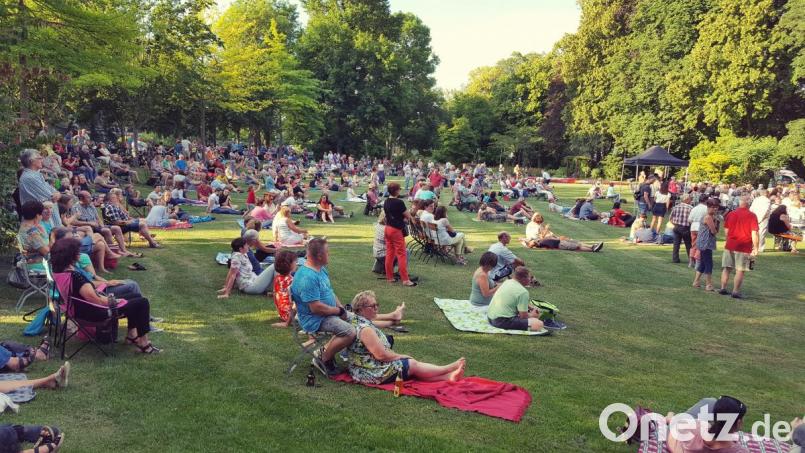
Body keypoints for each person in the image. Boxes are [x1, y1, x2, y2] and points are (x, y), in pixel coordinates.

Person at [50, 238, 160, 353]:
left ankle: (131, 336)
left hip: (80, 310)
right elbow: (97, 300)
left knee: (135, 295)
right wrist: (115, 301)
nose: (80, 253)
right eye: (77, 252)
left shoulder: (59, 272)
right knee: (142, 302)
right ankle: (144, 343)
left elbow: (93, 297)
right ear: (70, 256)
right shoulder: (75, 277)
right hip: (93, 313)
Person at [346, 290, 464, 384]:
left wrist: (393, 321)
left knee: (411, 368)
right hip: (370, 371)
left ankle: (448, 377)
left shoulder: (359, 321)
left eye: (377, 305)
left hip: (366, 366)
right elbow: (381, 355)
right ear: (361, 309)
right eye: (373, 306)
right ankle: (447, 369)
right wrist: (401, 356)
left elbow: (378, 325)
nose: (377, 308)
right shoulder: (365, 329)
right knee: (411, 364)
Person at [290, 238, 354, 376]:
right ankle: (322, 359)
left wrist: (342, 309)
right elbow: (316, 308)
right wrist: (338, 311)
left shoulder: (321, 269)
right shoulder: (308, 277)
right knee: (349, 331)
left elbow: (330, 291)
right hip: (314, 319)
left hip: (327, 313)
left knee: (358, 320)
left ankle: (353, 354)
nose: (329, 254)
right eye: (327, 252)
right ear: (319, 256)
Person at [665, 396, 750, 453]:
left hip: (674, 439)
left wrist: (671, 417)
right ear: (739, 422)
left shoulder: (699, 427)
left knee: (710, 401)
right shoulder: (738, 450)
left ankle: (670, 416)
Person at [719, 195, 759, 299]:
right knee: (740, 270)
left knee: (727, 268)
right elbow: (754, 233)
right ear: (749, 203)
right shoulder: (752, 216)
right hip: (744, 245)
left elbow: (726, 230)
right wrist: (756, 247)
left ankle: (723, 288)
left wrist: (730, 239)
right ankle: (735, 291)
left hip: (730, 244)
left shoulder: (731, 214)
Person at [486, 267, 543, 331]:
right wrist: (533, 315)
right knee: (539, 324)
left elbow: (514, 298)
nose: (531, 280)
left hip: (490, 317)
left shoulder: (507, 282)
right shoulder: (523, 292)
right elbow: (523, 317)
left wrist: (530, 307)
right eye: (530, 277)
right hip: (501, 321)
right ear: (524, 279)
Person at [18, 148, 62, 227]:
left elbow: (53, 191)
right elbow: (51, 196)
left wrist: (57, 193)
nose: (42, 160)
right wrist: (56, 194)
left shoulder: (36, 175)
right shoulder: (30, 177)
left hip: (48, 223)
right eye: (40, 158)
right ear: (32, 161)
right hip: (40, 225)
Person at [383, 182, 416, 287]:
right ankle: (405, 280)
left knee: (390, 253)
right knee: (401, 254)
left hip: (387, 228)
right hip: (396, 230)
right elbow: (408, 216)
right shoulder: (399, 202)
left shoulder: (386, 201)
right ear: (396, 190)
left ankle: (389, 277)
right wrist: (411, 216)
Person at [522, 212, 603, 252]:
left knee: (574, 242)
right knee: (576, 245)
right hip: (558, 243)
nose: (541, 223)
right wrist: (546, 230)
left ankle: (592, 246)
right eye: (540, 221)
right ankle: (592, 249)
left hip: (557, 241)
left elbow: (537, 238)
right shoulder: (539, 237)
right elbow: (542, 237)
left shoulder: (532, 226)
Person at [692, 199, 720, 291]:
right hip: (705, 243)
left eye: (717, 207)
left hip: (704, 242)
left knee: (703, 263)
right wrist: (716, 223)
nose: (716, 209)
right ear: (710, 207)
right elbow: (714, 231)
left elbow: (716, 230)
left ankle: (696, 281)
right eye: (714, 207)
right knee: (709, 263)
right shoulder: (708, 217)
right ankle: (708, 284)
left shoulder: (711, 217)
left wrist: (716, 221)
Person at [271, 250, 297, 328]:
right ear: (289, 264)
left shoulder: (277, 278)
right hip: (292, 316)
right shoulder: (292, 281)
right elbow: (296, 303)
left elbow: (275, 296)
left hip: (282, 314)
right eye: (295, 261)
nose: (296, 263)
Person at [670, 193, 693, 263]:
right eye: (690, 199)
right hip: (686, 227)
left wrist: (675, 224)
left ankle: (675, 259)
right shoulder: (690, 208)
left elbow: (670, 218)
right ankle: (691, 259)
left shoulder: (676, 207)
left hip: (677, 227)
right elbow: (692, 219)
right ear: (686, 199)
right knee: (688, 244)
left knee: (676, 244)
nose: (691, 200)